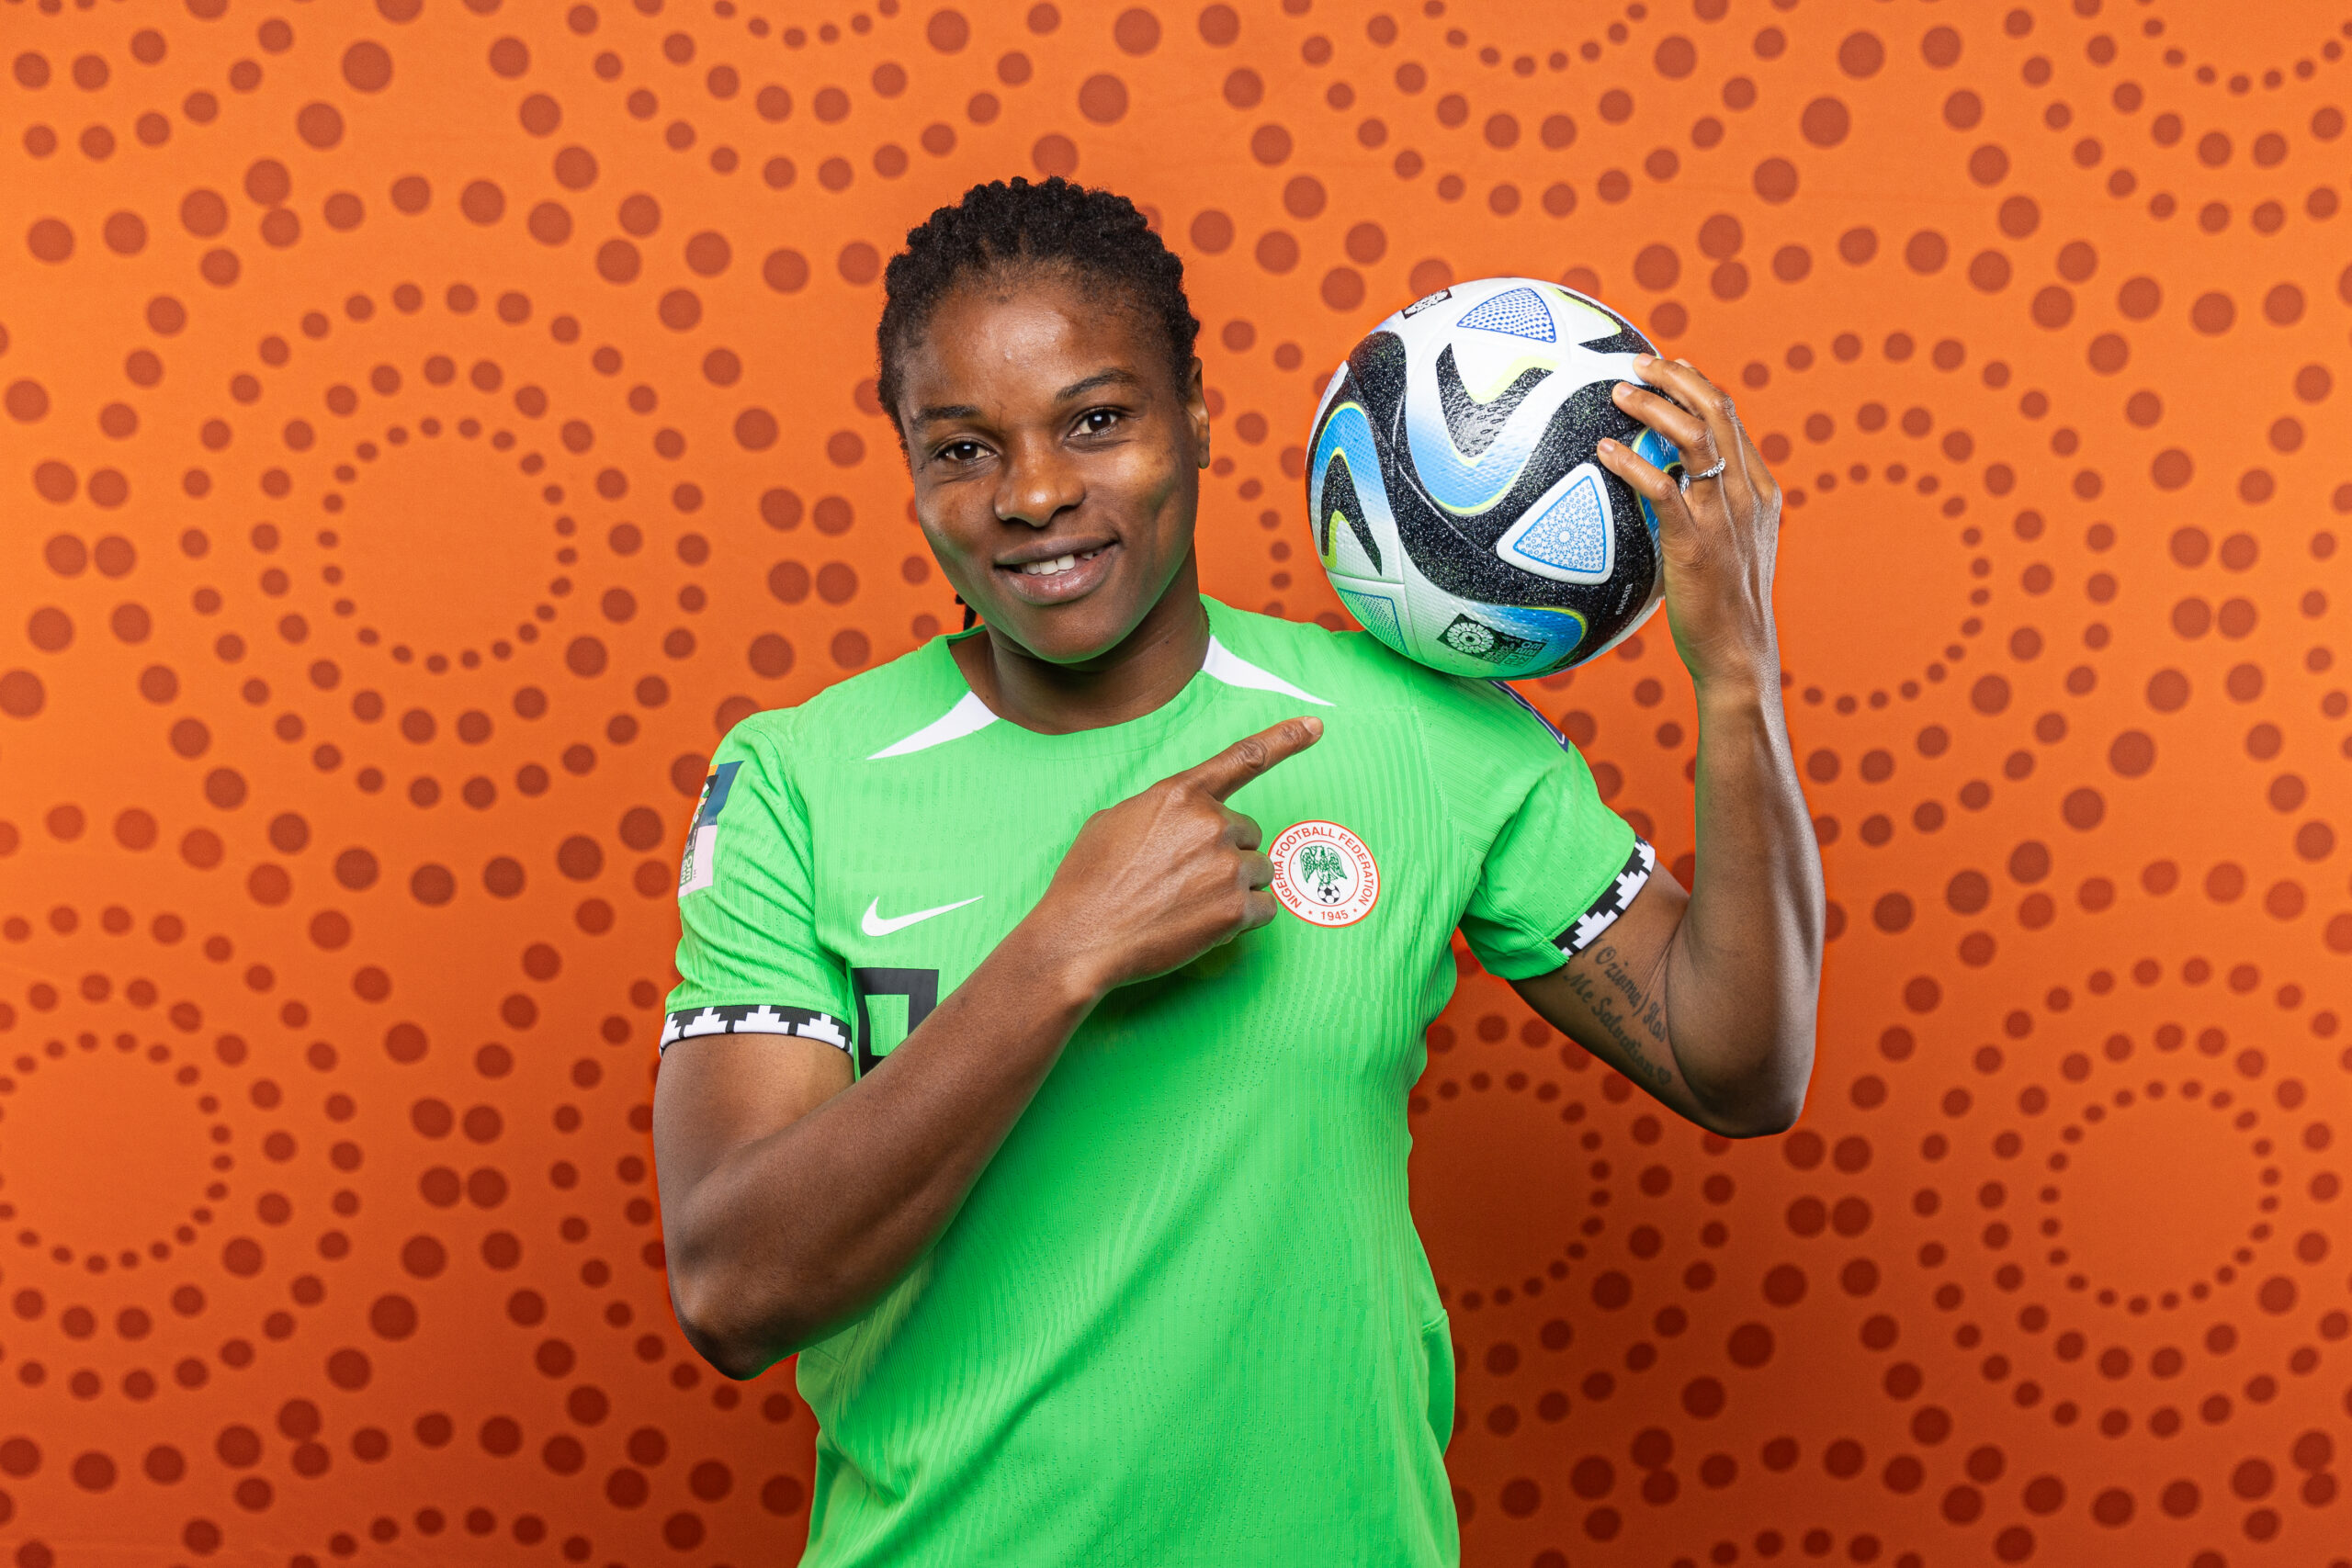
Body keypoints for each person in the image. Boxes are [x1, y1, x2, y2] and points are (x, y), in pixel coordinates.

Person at [650, 175, 1823, 1566]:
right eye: (963, 448)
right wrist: (1062, 951)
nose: (1033, 495)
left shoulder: (1423, 731)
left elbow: (1738, 1065)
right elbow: (733, 1288)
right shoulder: (801, 777)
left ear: (1197, 411)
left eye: (1097, 421)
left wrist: (1737, 673)